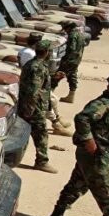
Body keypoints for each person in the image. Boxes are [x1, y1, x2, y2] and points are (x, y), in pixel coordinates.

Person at [46, 74, 109, 216]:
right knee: (105, 191)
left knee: (77, 184)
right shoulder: (103, 103)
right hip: (94, 156)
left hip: (95, 155)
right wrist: (88, 140)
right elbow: (82, 118)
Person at [18, 40, 64, 173]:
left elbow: (40, 85)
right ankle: (42, 162)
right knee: (41, 135)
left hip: (30, 106)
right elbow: (33, 91)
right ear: (47, 52)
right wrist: (30, 110)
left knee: (24, 133)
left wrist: (55, 78)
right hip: (34, 108)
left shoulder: (34, 64)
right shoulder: (37, 67)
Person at [18, 33, 72, 136]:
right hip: (33, 90)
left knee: (52, 100)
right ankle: (56, 124)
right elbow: (35, 76)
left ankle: (57, 121)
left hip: (36, 87)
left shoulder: (30, 54)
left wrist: (53, 77)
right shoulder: (30, 55)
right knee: (49, 102)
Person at [54, 20, 86, 103]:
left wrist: (65, 60)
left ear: (69, 28)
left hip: (70, 60)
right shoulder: (80, 34)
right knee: (72, 76)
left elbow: (72, 48)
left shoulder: (72, 35)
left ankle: (50, 93)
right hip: (77, 59)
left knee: (57, 75)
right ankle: (71, 96)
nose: (65, 31)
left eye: (65, 29)